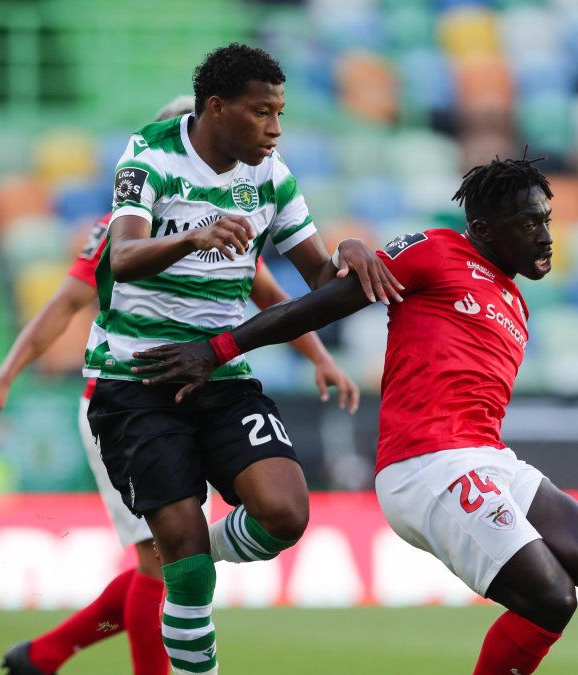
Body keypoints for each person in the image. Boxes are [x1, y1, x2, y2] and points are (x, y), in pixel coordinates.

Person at [132, 155, 578, 675]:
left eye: (548, 219)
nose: (545, 234)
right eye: (529, 221)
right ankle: (199, 548)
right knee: (549, 596)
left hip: (484, 457)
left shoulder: (515, 302)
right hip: (424, 464)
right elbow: (324, 300)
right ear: (485, 223)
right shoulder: (434, 250)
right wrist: (219, 347)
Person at [0, 95, 360, 675]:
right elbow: (65, 304)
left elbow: (269, 294)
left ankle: (46, 654)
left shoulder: (235, 214)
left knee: (165, 562)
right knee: (160, 563)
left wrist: (320, 356)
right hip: (127, 394)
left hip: (208, 386)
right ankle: (71, 657)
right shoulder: (118, 229)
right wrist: (5, 376)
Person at [83, 43, 399, 675]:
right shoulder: (149, 154)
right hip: (136, 378)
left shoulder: (272, 176)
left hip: (221, 373)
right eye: (263, 113)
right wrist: (193, 235)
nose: (275, 129)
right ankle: (192, 587)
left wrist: (354, 250)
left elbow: (319, 277)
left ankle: (201, 550)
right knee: (188, 574)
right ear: (218, 107)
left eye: (280, 113)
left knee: (286, 513)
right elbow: (121, 257)